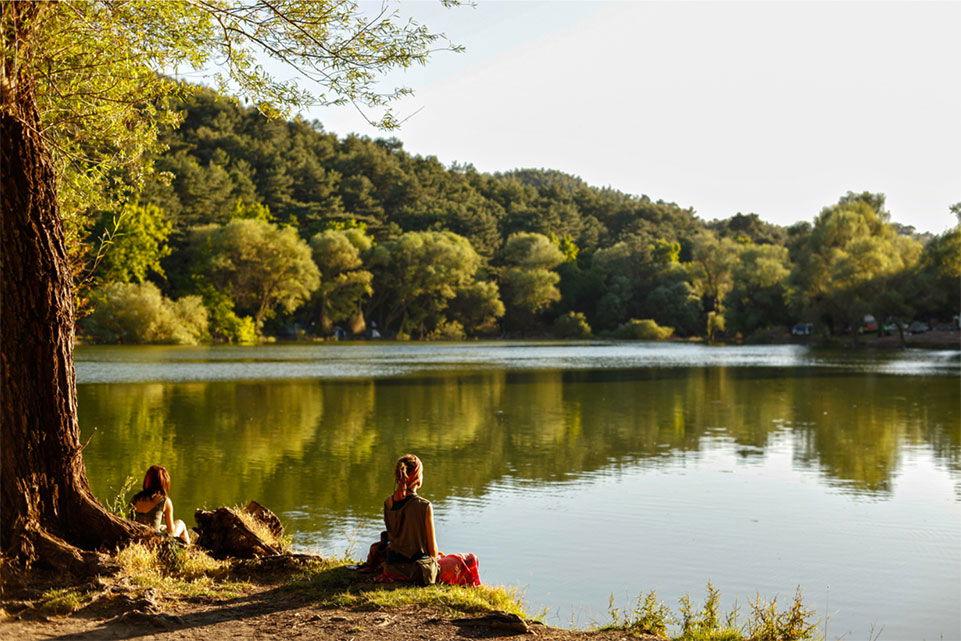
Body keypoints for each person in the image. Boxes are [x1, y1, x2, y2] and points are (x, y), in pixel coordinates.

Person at [380, 454, 440, 585]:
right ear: (417, 478)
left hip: (391, 567)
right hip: (416, 569)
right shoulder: (424, 505)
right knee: (468, 560)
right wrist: (437, 557)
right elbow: (433, 551)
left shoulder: (388, 502)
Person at [130, 465, 190, 544]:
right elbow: (171, 532)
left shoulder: (135, 498)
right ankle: (188, 549)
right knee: (180, 523)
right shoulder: (165, 501)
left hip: (137, 538)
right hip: (155, 541)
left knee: (162, 527)